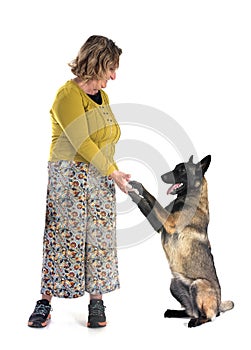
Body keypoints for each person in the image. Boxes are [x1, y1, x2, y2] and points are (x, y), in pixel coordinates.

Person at [28, 35, 131, 329]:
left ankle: (96, 302)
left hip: (100, 178)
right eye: (110, 68)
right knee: (63, 238)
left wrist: (113, 171)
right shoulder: (67, 96)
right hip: (69, 177)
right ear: (96, 63)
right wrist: (112, 171)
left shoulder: (103, 97)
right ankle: (44, 301)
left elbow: (105, 141)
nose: (113, 76)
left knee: (98, 239)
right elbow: (83, 143)